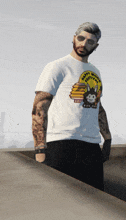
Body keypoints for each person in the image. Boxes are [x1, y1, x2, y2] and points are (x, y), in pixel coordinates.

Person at [31, 22, 112, 191]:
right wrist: (39, 148)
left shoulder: (95, 71)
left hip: (91, 146)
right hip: (61, 143)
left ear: (96, 46)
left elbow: (98, 105)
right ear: (74, 38)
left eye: (90, 41)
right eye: (81, 38)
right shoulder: (57, 66)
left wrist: (107, 138)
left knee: (96, 203)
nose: (84, 44)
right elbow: (39, 106)